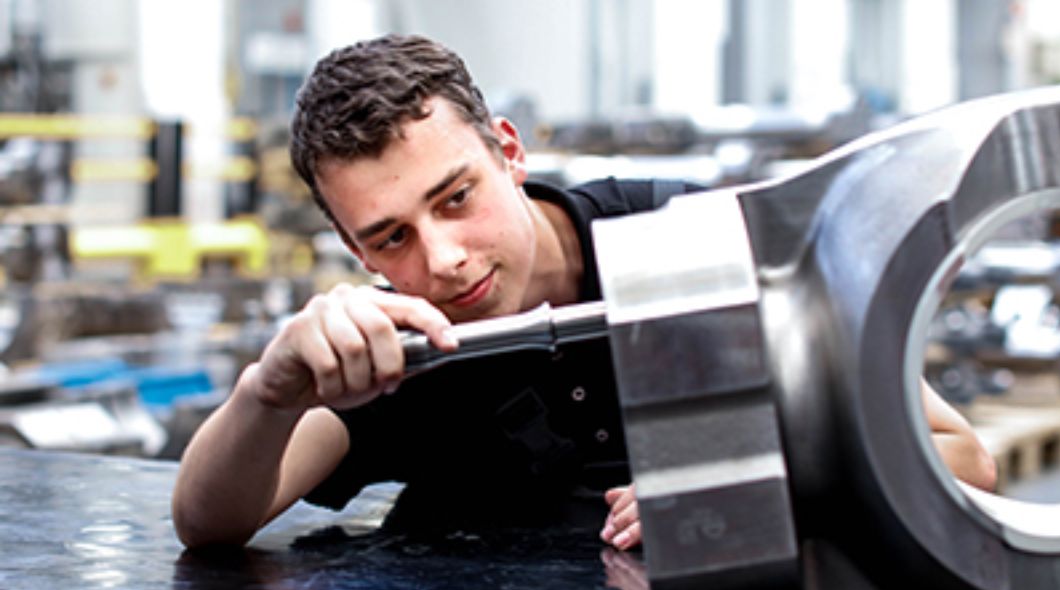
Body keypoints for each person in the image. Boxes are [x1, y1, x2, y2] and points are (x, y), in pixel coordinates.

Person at [172, 34, 995, 553]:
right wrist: (266, 392)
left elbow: (964, 457)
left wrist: (770, 483)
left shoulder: (690, 236)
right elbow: (209, 523)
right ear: (354, 248)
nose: (445, 259)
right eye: (390, 238)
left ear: (508, 152)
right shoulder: (397, 343)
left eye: (457, 197)